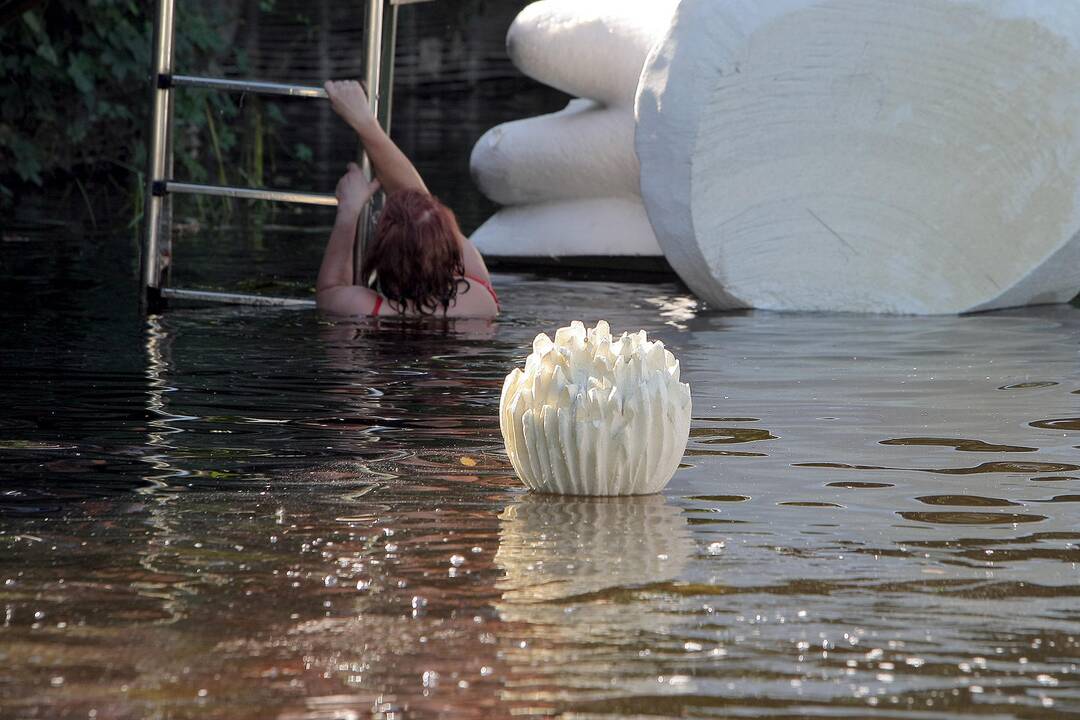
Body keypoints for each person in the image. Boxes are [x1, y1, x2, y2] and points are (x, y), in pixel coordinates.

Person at [316, 80, 499, 318]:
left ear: (380, 255)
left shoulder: (365, 308)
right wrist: (366, 124)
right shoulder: (479, 300)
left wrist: (348, 211)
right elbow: (420, 203)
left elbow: (329, 290)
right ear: (448, 250)